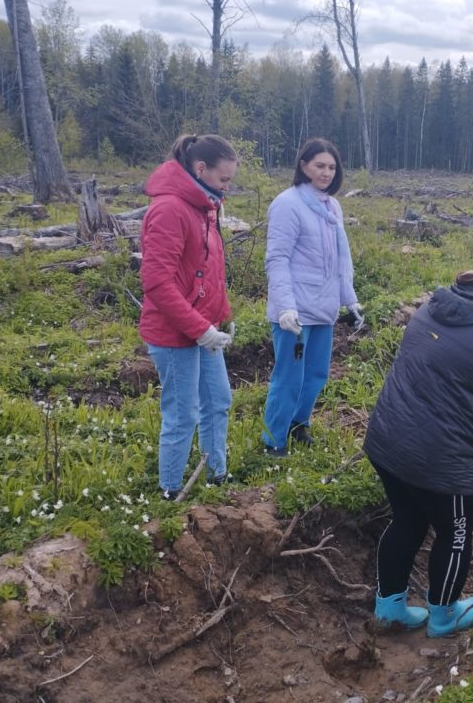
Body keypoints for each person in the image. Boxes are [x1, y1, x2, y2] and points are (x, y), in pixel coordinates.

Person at [364, 267, 473, 637]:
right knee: (455, 534)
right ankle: (444, 614)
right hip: (441, 458)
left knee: (406, 520)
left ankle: (389, 606)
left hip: (388, 439)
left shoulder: (435, 305)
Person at [140, 134, 239, 500]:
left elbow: (207, 270)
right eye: (224, 179)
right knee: (183, 415)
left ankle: (216, 477)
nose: (227, 187)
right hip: (173, 334)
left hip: (203, 329)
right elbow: (158, 283)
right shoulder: (170, 209)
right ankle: (171, 491)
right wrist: (200, 329)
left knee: (219, 401)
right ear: (201, 169)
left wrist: (221, 315)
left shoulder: (205, 206)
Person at [263, 138, 362, 456]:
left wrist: (350, 299)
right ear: (303, 165)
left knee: (316, 372)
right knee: (289, 376)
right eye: (319, 165)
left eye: (332, 167)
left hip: (324, 307)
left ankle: (297, 425)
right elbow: (277, 259)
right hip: (294, 311)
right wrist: (285, 307)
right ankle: (273, 441)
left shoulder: (332, 206)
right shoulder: (287, 204)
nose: (326, 173)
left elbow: (341, 259)